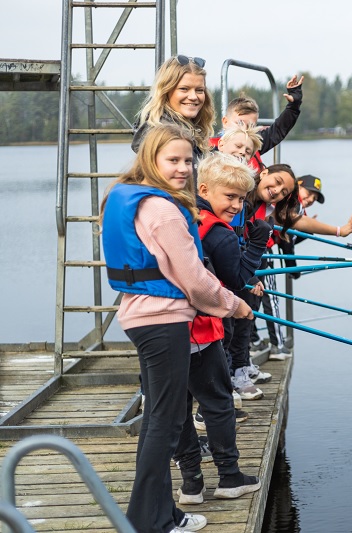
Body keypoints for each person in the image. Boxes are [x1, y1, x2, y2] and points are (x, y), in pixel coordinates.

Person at [101, 124, 252, 533]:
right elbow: (196, 281)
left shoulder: (130, 197)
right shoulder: (164, 210)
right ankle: (151, 522)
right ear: (151, 159)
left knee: (157, 423)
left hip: (141, 316)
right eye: (173, 160)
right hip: (163, 322)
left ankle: (162, 512)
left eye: (188, 160)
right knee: (164, 427)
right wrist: (235, 305)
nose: (183, 168)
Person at [172, 152, 266, 506]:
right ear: (205, 188)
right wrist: (257, 243)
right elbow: (237, 279)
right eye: (230, 196)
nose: (237, 205)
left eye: (242, 199)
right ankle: (229, 477)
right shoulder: (219, 234)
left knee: (179, 408)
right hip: (201, 329)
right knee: (218, 402)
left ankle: (192, 485)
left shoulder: (183, 216)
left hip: (167, 328)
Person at [251, 174, 352, 359]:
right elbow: (287, 241)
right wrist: (293, 267)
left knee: (253, 298)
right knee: (271, 299)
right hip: (262, 253)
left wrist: (308, 229)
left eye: (314, 198)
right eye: (309, 194)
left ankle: (253, 340)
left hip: (257, 251)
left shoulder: (294, 205)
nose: (310, 200)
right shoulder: (294, 204)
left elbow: (289, 237)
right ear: (297, 186)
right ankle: (277, 345)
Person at [226, 163, 301, 399]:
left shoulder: (266, 206)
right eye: (277, 182)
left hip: (247, 267)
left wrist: (338, 230)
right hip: (229, 268)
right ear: (265, 172)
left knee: (246, 319)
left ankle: (239, 371)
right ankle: (227, 378)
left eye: (284, 192)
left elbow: (294, 223)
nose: (278, 191)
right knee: (228, 328)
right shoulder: (239, 194)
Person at [132, 54, 215, 180]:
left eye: (199, 90)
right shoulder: (164, 134)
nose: (193, 96)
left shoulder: (190, 129)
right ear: (166, 91)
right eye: (184, 89)